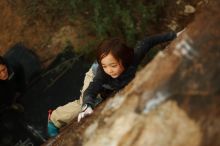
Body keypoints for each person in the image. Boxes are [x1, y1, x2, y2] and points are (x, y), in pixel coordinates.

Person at [47, 30, 181, 137]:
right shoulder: (103, 73)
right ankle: (54, 119)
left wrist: (175, 35)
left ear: (124, 60)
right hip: (94, 77)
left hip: (114, 84)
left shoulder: (133, 59)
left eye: (113, 65)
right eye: (105, 65)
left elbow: (147, 42)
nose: (109, 70)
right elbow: (93, 88)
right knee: (81, 104)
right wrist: (87, 105)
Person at [0, 44, 41, 111]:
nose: (3, 74)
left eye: (3, 69)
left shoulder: (13, 65)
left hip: (12, 92)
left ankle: (13, 103)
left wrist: (21, 89)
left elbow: (21, 77)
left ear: (5, 65)